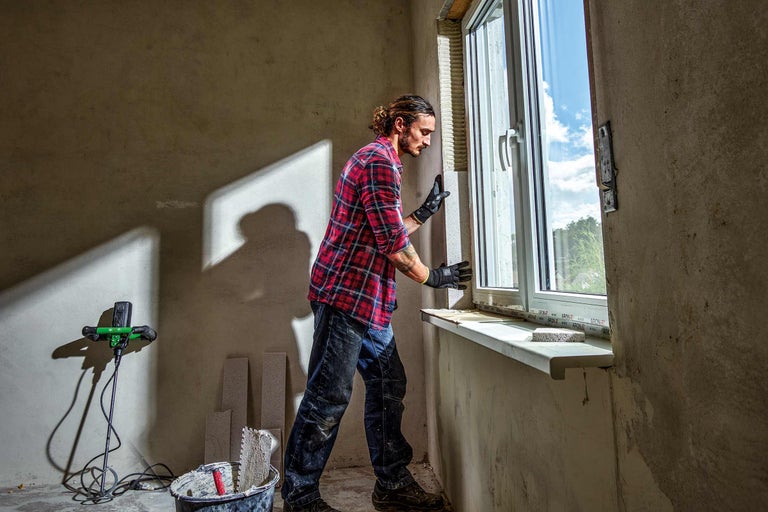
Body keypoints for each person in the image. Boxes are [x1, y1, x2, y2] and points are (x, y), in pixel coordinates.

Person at [281, 95, 472, 512]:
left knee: (389, 384)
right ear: (400, 125)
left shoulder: (379, 160)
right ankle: (300, 495)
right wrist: (435, 277)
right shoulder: (379, 162)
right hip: (346, 295)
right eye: (424, 132)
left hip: (366, 299)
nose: (426, 141)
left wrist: (423, 213)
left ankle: (391, 484)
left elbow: (384, 230)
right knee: (327, 397)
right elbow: (393, 246)